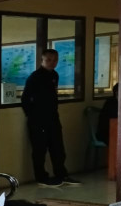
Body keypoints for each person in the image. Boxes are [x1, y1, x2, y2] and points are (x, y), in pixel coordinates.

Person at [21, 49, 80, 187]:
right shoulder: (35, 77)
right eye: (48, 60)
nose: (52, 63)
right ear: (42, 60)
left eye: (55, 60)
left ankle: (62, 175)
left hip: (53, 118)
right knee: (40, 149)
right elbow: (25, 99)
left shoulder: (54, 75)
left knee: (58, 148)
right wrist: (33, 116)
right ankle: (42, 178)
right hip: (38, 120)